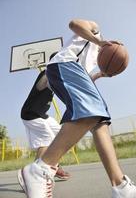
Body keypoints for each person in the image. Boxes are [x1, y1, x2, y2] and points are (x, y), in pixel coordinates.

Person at [18, 19, 136, 198]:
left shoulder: (95, 58)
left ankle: (120, 185)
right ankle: (40, 169)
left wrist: (100, 74)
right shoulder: (95, 31)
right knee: (92, 110)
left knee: (100, 120)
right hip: (65, 64)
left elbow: (85, 80)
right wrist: (99, 41)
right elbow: (74, 24)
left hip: (75, 72)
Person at [17, 68, 70, 192]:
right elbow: (40, 86)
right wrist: (50, 71)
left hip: (41, 115)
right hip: (31, 114)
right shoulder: (47, 73)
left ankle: (52, 164)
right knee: (46, 141)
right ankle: (33, 175)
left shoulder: (59, 77)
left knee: (63, 132)